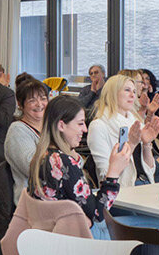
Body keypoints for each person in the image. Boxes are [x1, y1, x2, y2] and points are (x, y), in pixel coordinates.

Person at [28, 96, 132, 226]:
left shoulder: (42, 157)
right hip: (72, 234)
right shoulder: (64, 163)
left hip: (50, 232)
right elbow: (97, 214)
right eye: (80, 123)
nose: (85, 129)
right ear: (61, 125)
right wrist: (113, 173)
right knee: (153, 225)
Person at [87, 74, 159, 188]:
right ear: (112, 93)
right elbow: (106, 174)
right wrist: (131, 144)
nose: (132, 95)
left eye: (134, 91)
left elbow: (150, 170)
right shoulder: (98, 126)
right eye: (127, 90)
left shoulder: (136, 122)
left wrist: (146, 144)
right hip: (120, 189)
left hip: (144, 183)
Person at [5, 78, 49, 204]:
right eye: (32, 100)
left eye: (43, 98)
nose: (39, 104)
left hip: (56, 197)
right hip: (32, 200)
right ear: (20, 104)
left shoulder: (50, 127)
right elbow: (32, 169)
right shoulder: (17, 130)